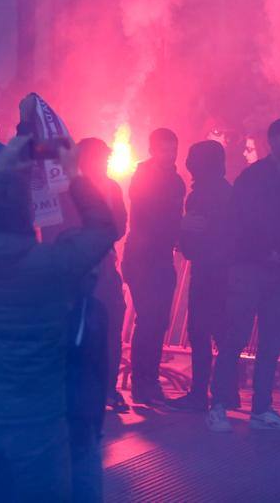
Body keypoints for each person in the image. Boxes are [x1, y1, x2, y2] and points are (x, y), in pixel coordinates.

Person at [0, 135, 116, 502]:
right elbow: (102, 229)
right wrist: (74, 174)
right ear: (29, 215)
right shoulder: (49, 265)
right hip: (37, 421)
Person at [207, 117, 280, 432]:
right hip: (250, 268)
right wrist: (269, 251)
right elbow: (239, 223)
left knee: (270, 341)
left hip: (273, 271)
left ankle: (260, 407)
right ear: (274, 141)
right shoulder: (253, 178)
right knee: (235, 337)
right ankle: (219, 405)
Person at [167, 140, 233, 412]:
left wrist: (182, 237)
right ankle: (227, 391)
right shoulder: (229, 192)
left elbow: (194, 239)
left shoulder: (199, 195)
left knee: (200, 332)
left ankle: (198, 394)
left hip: (206, 271)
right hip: (227, 272)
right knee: (224, 333)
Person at [123, 128, 186, 406]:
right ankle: (142, 383)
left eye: (173, 149)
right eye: (164, 149)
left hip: (160, 259)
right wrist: (182, 228)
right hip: (142, 259)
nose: (169, 154)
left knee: (158, 322)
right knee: (148, 320)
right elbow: (151, 217)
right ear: (152, 150)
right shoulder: (143, 178)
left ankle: (149, 381)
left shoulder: (175, 180)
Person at [76, 137, 129, 413]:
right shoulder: (68, 189)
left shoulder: (111, 188)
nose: (107, 160)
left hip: (105, 266)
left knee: (110, 328)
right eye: (102, 156)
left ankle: (108, 389)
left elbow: (120, 225)